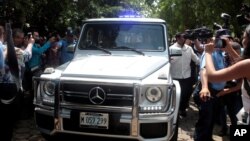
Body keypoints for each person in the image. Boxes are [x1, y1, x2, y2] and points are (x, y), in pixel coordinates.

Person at [193, 29, 239, 141]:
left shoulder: (222, 53)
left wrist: (229, 49)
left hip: (217, 94)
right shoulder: (209, 52)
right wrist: (204, 87)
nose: (225, 42)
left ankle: (206, 137)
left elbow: (240, 62)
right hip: (208, 91)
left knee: (212, 119)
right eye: (222, 40)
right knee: (206, 121)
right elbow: (203, 70)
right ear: (215, 39)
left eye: (227, 40)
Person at [205, 24, 250, 125]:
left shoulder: (248, 65)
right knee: (239, 122)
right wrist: (229, 49)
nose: (242, 39)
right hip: (246, 111)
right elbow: (241, 65)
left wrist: (208, 53)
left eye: (244, 36)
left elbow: (212, 76)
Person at [0, 25, 34, 141]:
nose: (21, 40)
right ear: (11, 38)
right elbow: (27, 55)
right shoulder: (15, 51)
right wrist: (30, 44)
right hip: (10, 88)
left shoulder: (2, 48)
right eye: (19, 38)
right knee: (8, 119)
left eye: (23, 38)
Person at [170, 32, 200, 117]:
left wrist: (204, 64)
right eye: (183, 37)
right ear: (178, 38)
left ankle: (182, 109)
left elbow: (196, 60)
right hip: (175, 77)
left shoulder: (189, 49)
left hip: (187, 77)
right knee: (176, 95)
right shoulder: (171, 49)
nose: (185, 39)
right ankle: (175, 111)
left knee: (186, 94)